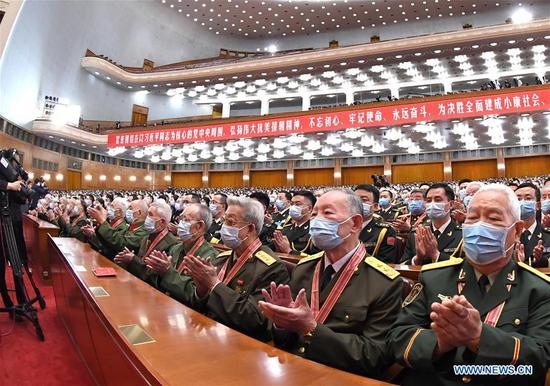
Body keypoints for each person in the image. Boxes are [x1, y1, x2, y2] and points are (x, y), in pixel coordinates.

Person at [387, 184, 550, 386]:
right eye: (472, 218)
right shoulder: (434, 278)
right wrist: (439, 344)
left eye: (493, 218)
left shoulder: (539, 289)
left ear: (516, 230)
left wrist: (479, 337)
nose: (479, 226)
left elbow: (539, 361)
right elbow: (397, 339)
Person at [259, 189, 402, 376]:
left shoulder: (384, 282)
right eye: (315, 213)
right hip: (293, 368)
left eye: (327, 213)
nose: (317, 220)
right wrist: (282, 323)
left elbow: (374, 355)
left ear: (355, 223)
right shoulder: (304, 268)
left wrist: (311, 328)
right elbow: (285, 341)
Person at [179, 196, 289, 341]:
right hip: (209, 332)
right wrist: (201, 291)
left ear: (250, 229)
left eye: (230, 222)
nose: (224, 226)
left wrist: (214, 285)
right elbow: (199, 305)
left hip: (240, 341)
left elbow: (256, 321)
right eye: (224, 220)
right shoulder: (222, 258)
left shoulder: (271, 267)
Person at [147, 203, 218, 300]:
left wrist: (167, 272)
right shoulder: (176, 248)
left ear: (199, 226)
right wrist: (158, 270)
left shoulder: (208, 257)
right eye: (181, 219)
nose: (180, 224)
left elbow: (196, 296)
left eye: (186, 220)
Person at [115, 201, 179, 283]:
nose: (146, 218)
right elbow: (141, 262)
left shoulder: (171, 243)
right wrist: (127, 260)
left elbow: (153, 275)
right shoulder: (146, 238)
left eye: (150, 215)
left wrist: (133, 260)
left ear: (162, 222)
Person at [401, 183, 463, 265]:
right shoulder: (416, 233)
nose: (432, 204)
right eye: (429, 200)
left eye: (438, 200)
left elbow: (465, 269)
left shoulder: (462, 235)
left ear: (451, 204)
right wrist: (418, 258)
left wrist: (436, 255)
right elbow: (402, 265)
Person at [354, 184, 397, 263]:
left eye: (363, 200)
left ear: (375, 206)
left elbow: (386, 262)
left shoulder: (385, 231)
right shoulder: (342, 226)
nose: (357, 203)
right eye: (355, 200)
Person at [271, 190, 318, 256]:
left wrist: (289, 251)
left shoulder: (315, 230)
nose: (293, 207)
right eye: (292, 204)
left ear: (309, 208)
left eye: (297, 204)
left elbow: (316, 259)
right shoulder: (286, 228)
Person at [515, 183, 550, 267]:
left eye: (528, 198)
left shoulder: (548, 235)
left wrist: (540, 260)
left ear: (538, 205)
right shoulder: (508, 235)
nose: (522, 203)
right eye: (518, 199)